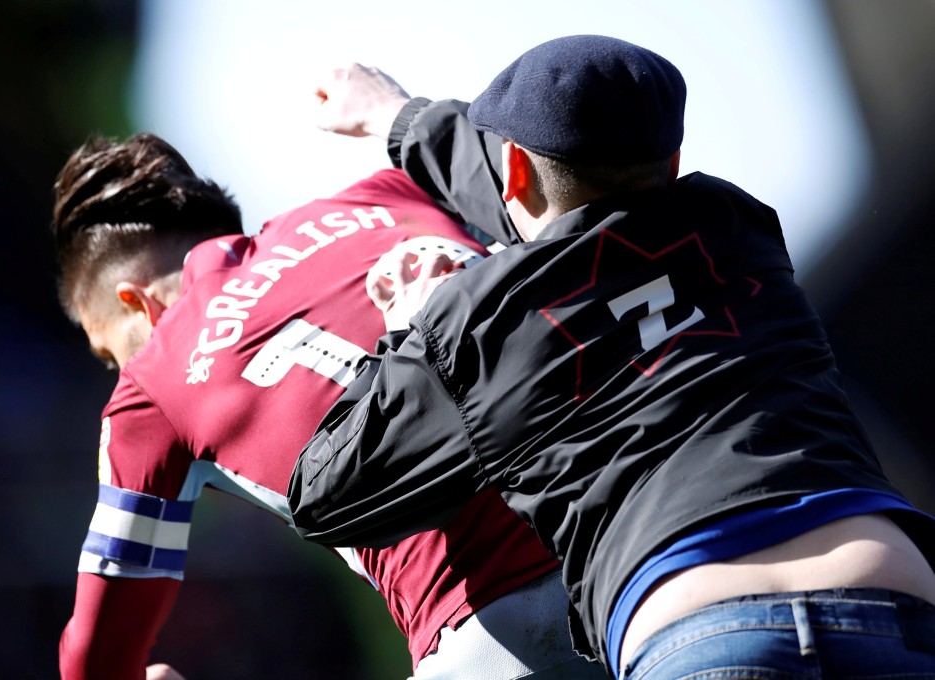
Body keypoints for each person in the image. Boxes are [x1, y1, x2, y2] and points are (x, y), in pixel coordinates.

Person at [288, 35, 935, 679]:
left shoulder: (475, 320)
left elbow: (327, 496)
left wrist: (408, 327)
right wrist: (398, 118)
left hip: (699, 632)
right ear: (674, 160)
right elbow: (559, 197)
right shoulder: (738, 229)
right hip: (896, 596)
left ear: (513, 168)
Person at [51, 132, 610, 679]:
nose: (120, 373)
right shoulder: (387, 194)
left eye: (111, 355)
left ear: (138, 304)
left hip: (502, 630)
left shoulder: (150, 384)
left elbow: (96, 657)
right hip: (645, 538)